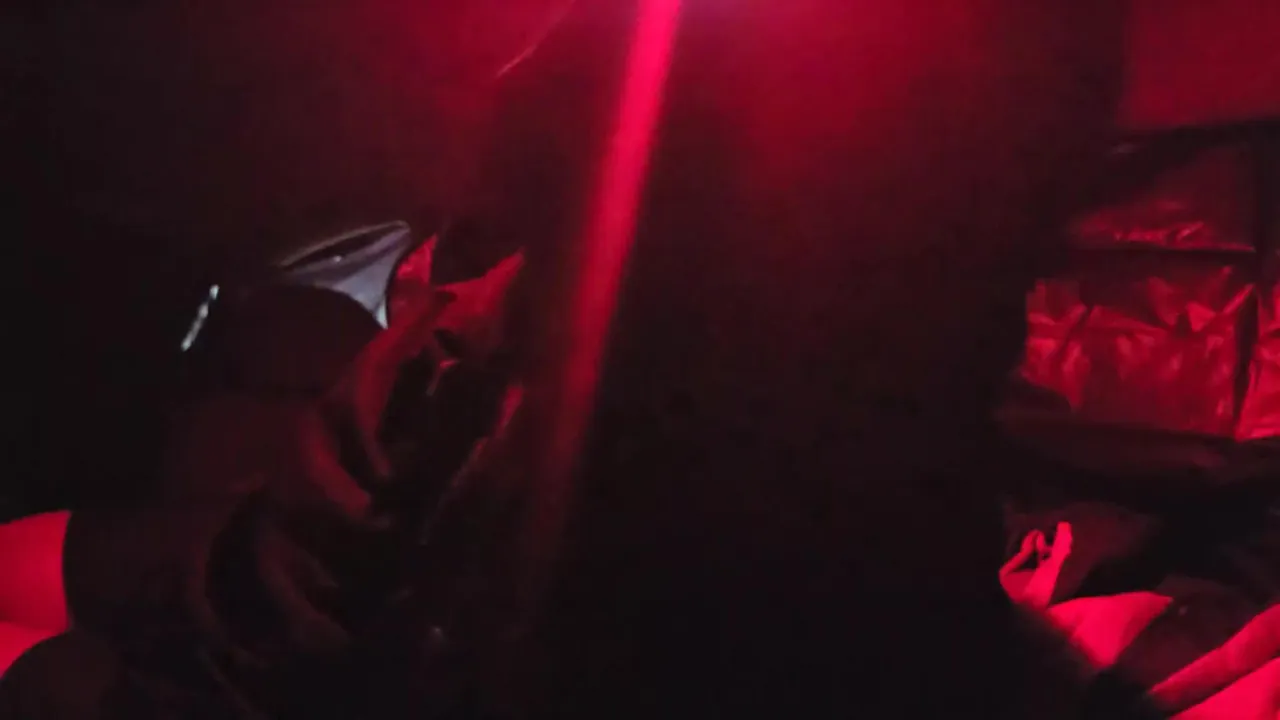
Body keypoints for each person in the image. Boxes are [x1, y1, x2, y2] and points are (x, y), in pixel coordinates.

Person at [0, 0, 1172, 717]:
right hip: (438, 468)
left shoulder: (684, 417)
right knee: (211, 415)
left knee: (32, 628)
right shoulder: (869, 276)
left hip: (433, 557)